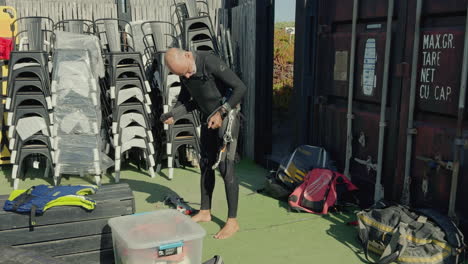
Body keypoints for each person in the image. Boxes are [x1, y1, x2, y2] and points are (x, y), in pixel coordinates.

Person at [160, 48, 247, 239]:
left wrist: (222, 112)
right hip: (208, 119)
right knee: (206, 163)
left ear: (188, 55)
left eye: (188, 71)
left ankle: (232, 221)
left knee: (226, 167)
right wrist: (173, 114)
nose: (188, 76)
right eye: (183, 75)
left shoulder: (209, 62)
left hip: (227, 117)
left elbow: (241, 88)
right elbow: (190, 100)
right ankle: (205, 211)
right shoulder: (184, 72)